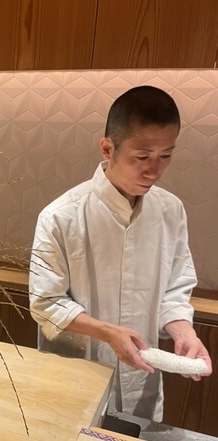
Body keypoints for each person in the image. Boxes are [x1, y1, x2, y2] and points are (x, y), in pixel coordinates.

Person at [29, 85, 212, 422]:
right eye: (142, 156)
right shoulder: (61, 216)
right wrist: (107, 333)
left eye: (165, 156)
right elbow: (46, 303)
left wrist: (183, 332)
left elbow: (175, 288)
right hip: (76, 378)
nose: (154, 170)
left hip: (141, 381)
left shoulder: (170, 211)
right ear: (107, 148)